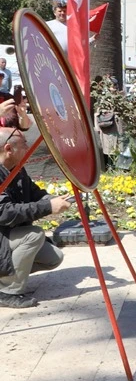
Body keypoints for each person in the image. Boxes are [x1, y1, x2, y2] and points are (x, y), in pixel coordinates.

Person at [0, 127, 72, 308]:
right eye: (24, 144)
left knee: (53, 257)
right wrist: (48, 207)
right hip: (3, 236)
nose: (27, 148)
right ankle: (8, 291)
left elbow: (34, 194)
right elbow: (5, 213)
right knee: (34, 235)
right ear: (8, 148)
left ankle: (6, 278)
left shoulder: (17, 170)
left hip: (9, 236)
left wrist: (53, 200)